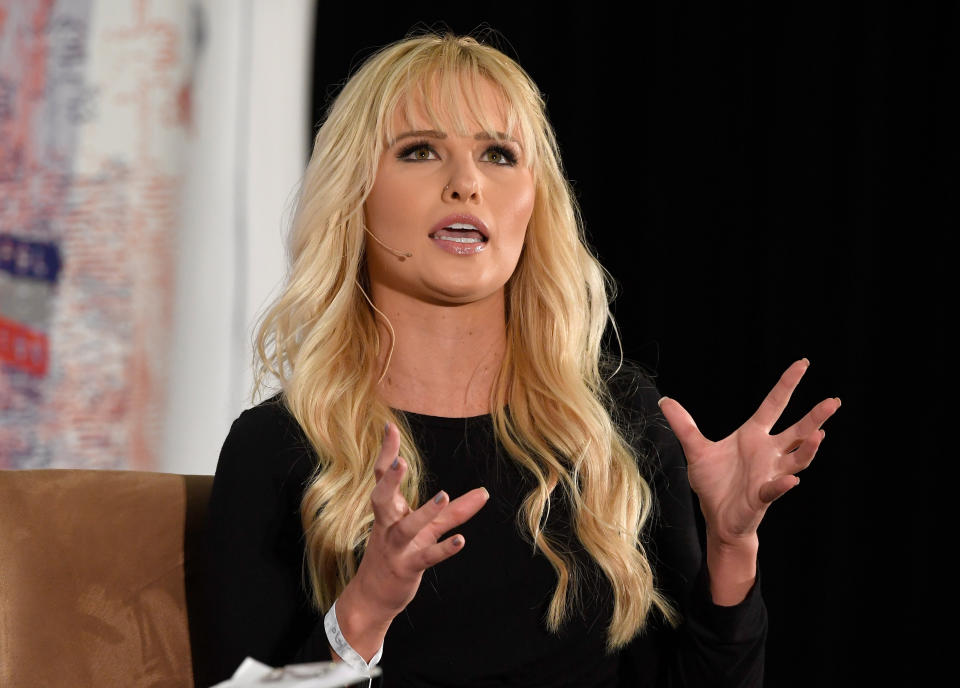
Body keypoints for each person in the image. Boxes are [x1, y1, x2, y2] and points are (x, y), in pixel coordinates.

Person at [196, 31, 840, 687]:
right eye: (419, 151)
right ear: (353, 193)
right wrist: (364, 608)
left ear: (535, 202)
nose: (466, 182)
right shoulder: (275, 447)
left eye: (499, 154)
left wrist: (730, 550)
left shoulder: (619, 424)